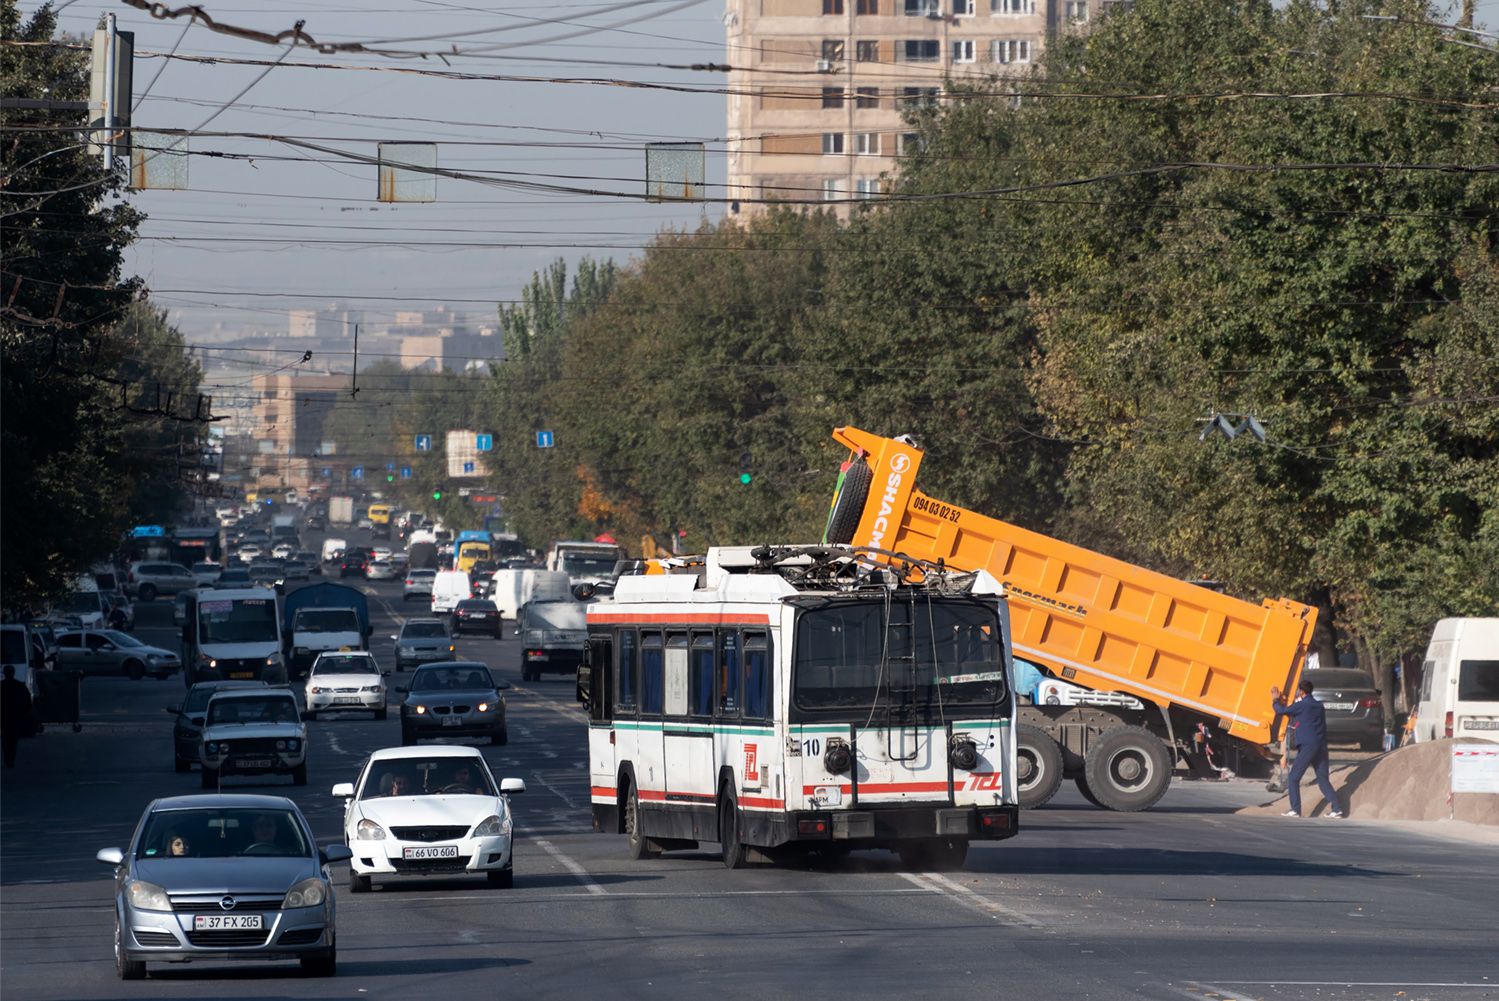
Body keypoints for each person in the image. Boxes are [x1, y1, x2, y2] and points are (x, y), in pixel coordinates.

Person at [1271, 679, 1344, 818]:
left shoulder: (1301, 705)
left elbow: (1280, 711)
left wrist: (1275, 699)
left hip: (1307, 745)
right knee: (1323, 779)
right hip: (1321, 745)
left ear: (1301, 692)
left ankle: (1295, 809)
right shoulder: (1319, 706)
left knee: (1293, 778)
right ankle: (1336, 808)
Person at [1, 664, 34, 768]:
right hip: (15, 717)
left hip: (4, 716)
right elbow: (28, 702)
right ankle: (11, 759)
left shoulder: (1, 686)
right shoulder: (20, 686)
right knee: (13, 739)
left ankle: (7, 758)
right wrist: (25, 715)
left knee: (5, 739)